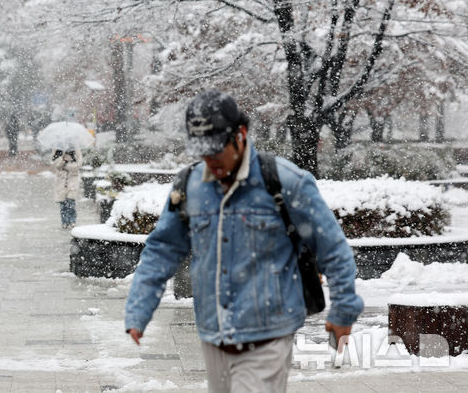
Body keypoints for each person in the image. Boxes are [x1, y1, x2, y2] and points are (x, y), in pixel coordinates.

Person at [124, 90, 363, 392]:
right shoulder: (190, 186)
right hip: (213, 330)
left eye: (217, 149)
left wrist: (343, 310)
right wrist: (138, 310)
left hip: (268, 331)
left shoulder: (285, 182)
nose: (210, 159)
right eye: (202, 151)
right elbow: (162, 249)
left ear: (241, 134)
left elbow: (334, 250)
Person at [51, 148, 82, 229]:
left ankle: (72, 221)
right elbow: (55, 165)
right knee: (63, 204)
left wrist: (68, 164)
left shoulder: (76, 150)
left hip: (72, 181)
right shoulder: (57, 150)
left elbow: (77, 165)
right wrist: (63, 160)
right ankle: (64, 222)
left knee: (71, 202)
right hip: (61, 181)